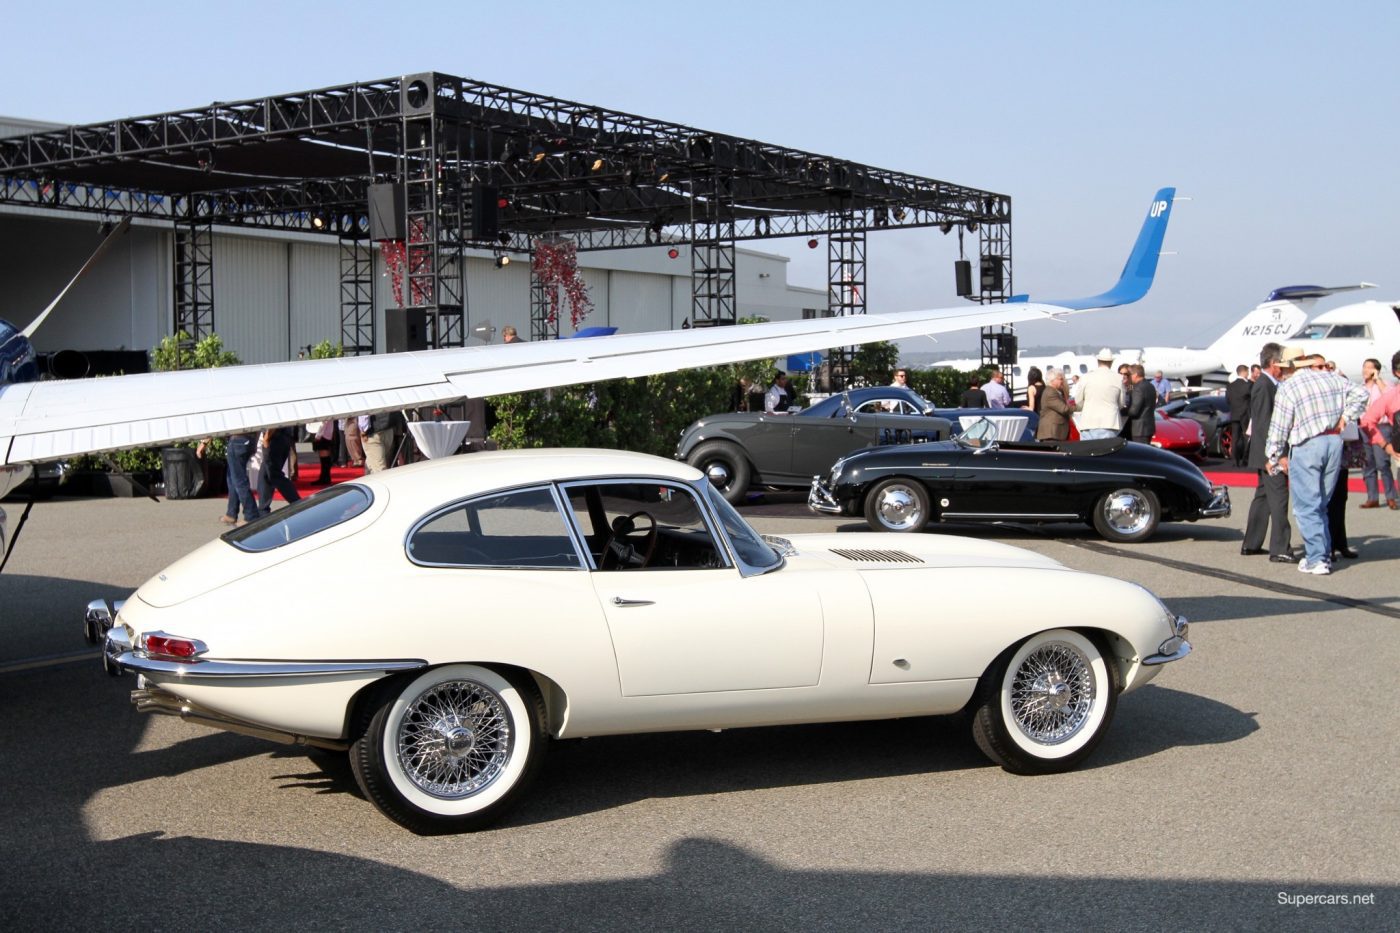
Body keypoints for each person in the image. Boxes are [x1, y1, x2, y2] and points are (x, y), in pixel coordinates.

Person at [1265, 353, 1369, 575]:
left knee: (1306, 505)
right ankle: (1323, 553)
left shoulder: (1290, 386)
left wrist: (1273, 455)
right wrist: (1345, 418)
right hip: (1333, 441)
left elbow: (1279, 426)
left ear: (1290, 368)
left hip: (1307, 444)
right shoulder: (1332, 378)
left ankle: (1317, 558)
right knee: (1322, 502)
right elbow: (1362, 393)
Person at [1242, 343, 1297, 562]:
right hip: (1270, 454)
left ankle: (1252, 543)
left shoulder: (1269, 384)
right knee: (1279, 498)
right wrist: (1275, 456)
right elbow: (1263, 424)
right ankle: (1280, 548)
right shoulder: (1264, 386)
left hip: (1265, 452)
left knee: (1263, 497)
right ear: (1274, 363)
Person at [1360, 350, 1400, 509]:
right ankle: (1374, 497)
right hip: (1384, 437)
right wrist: (1386, 446)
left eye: (1369, 367)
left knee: (1383, 465)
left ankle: (1390, 497)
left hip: (1385, 430)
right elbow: (1367, 421)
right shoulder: (1391, 396)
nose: (1366, 370)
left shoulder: (1387, 390)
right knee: (1369, 464)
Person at [200, 432, 258, 526]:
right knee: (232, 478)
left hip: (237, 440)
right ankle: (231, 513)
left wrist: (204, 442)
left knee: (239, 480)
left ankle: (251, 515)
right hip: (248, 439)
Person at [1073, 348, 1127, 440]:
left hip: (1088, 422)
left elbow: (1078, 401)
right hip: (1110, 423)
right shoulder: (1118, 378)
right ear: (1111, 362)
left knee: (1086, 449)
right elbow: (1121, 403)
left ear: (1098, 361)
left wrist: (1086, 407)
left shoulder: (1086, 377)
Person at [256, 425, 301, 517]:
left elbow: (273, 423)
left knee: (274, 475)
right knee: (265, 476)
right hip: (280, 437)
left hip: (275, 438)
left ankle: (298, 503)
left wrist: (266, 438)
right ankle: (263, 511)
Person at [1034, 368, 1074, 441]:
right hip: (1051, 433)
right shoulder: (1050, 392)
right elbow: (1064, 409)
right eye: (1060, 379)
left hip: (1054, 433)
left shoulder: (1054, 391)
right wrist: (1078, 407)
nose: (1062, 381)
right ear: (1052, 380)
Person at [1225, 364, 1253, 467]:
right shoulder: (1248, 385)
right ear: (1244, 372)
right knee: (1247, 437)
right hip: (1245, 415)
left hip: (1234, 414)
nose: (1248, 374)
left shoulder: (1230, 386)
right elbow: (1252, 399)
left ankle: (1234, 461)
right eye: (1248, 372)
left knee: (1235, 438)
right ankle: (1245, 460)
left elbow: (1227, 400)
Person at [1124, 365, 1156, 444]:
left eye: (1129, 375)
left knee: (1139, 450)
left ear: (1135, 375)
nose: (1128, 377)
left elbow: (1133, 411)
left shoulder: (1138, 388)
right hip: (1149, 427)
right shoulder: (1150, 386)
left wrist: (1121, 411)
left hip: (1139, 429)